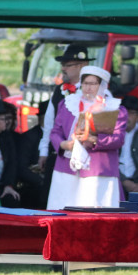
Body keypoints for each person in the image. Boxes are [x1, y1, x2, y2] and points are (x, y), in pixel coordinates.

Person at [46, 66, 126, 209]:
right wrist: (64, 144)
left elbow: (118, 138)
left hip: (98, 168)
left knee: (94, 209)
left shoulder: (114, 108)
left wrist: (94, 140)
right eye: (85, 83)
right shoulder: (67, 104)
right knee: (63, 207)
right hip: (67, 166)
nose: (88, 88)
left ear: (102, 85)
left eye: (93, 84)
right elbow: (55, 132)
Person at [37, 44, 93, 203]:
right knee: (52, 197)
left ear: (82, 66)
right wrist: (43, 151)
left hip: (84, 155)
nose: (63, 69)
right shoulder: (59, 90)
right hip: (59, 151)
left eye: (67, 65)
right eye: (63, 65)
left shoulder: (91, 91)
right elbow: (49, 123)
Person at [0, 100, 22, 206]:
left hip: (1, 185)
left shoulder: (6, 137)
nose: (6, 122)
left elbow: (12, 163)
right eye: (3, 119)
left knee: (12, 199)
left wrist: (8, 185)